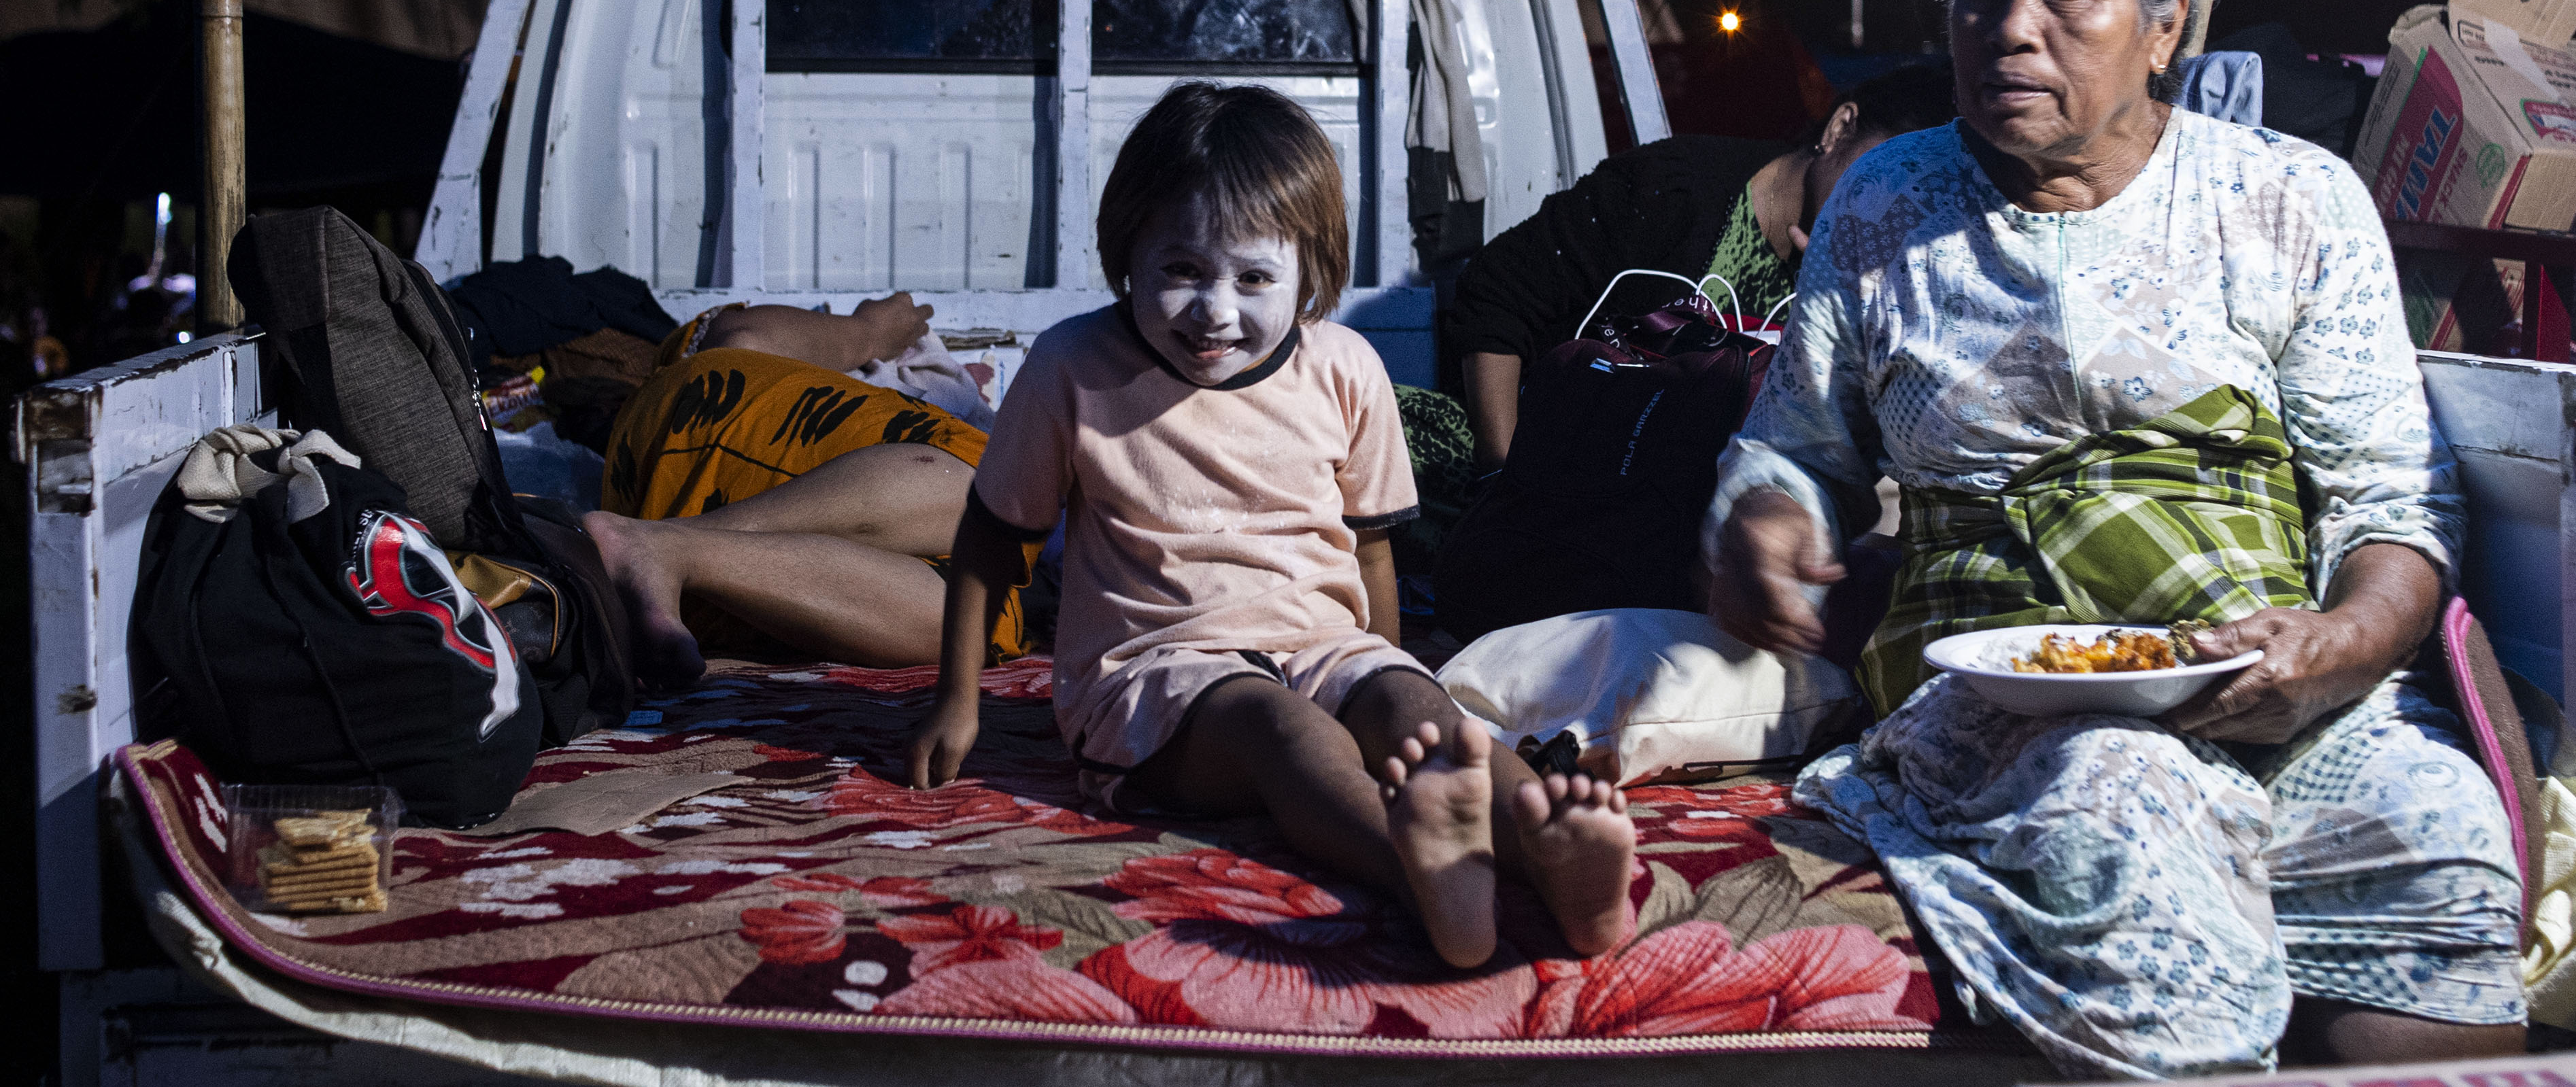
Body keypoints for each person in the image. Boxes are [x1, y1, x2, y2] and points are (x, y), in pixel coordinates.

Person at [1705, 0, 2524, 1078]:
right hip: (2003, 701)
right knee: (2123, 802)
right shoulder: (1888, 201)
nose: (2009, 29)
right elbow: (1793, 450)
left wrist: (2344, 643)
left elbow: (2392, 497)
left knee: (2433, 821)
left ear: (2164, 23)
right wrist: (1768, 518)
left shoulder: (2291, 197)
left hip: (2269, 679)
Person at [903, 82, 1637, 968]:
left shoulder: (1345, 367)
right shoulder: (1073, 366)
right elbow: (991, 540)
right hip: (1157, 670)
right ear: (1126, 252)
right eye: (1181, 271)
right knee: (1290, 733)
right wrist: (957, 700)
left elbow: (1370, 552)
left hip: (1324, 645)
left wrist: (1388, 675)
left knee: (1425, 716)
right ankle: (1420, 870)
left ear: (1309, 269)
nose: (1215, 310)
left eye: (1253, 278)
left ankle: (1550, 847)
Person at [1397, 63, 1955, 544]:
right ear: (1840, 127)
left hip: (1662, 535)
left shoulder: (1864, 292)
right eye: (1885, 177)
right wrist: (1502, 481)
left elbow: (1844, 459)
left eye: (1917, 210)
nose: (1887, 214)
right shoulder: (1675, 189)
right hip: (1527, 482)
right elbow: (1497, 295)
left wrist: (1841, 307)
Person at [581, 291, 1023, 689]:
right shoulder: (969, 433)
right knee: (991, 489)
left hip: (697, 573)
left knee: (971, 622)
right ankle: (660, 547)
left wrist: (867, 331)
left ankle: (665, 550)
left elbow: (740, 337)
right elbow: (737, 337)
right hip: (708, 425)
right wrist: (868, 332)